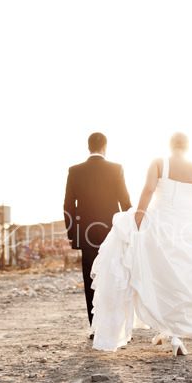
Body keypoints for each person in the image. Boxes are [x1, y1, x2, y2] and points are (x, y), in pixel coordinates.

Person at [90, 132, 192, 356]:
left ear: (170, 145)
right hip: (186, 226)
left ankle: (167, 329)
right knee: (181, 277)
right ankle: (174, 333)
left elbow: (148, 190)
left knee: (159, 276)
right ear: (187, 147)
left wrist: (138, 217)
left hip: (160, 223)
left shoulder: (159, 163)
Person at [64, 132, 132, 338]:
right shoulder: (116, 169)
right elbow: (126, 203)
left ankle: (96, 327)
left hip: (86, 234)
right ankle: (115, 326)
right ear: (105, 146)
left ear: (88, 147)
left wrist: (73, 235)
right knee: (114, 277)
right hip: (112, 233)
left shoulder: (75, 171)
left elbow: (68, 205)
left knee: (90, 279)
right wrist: (130, 231)